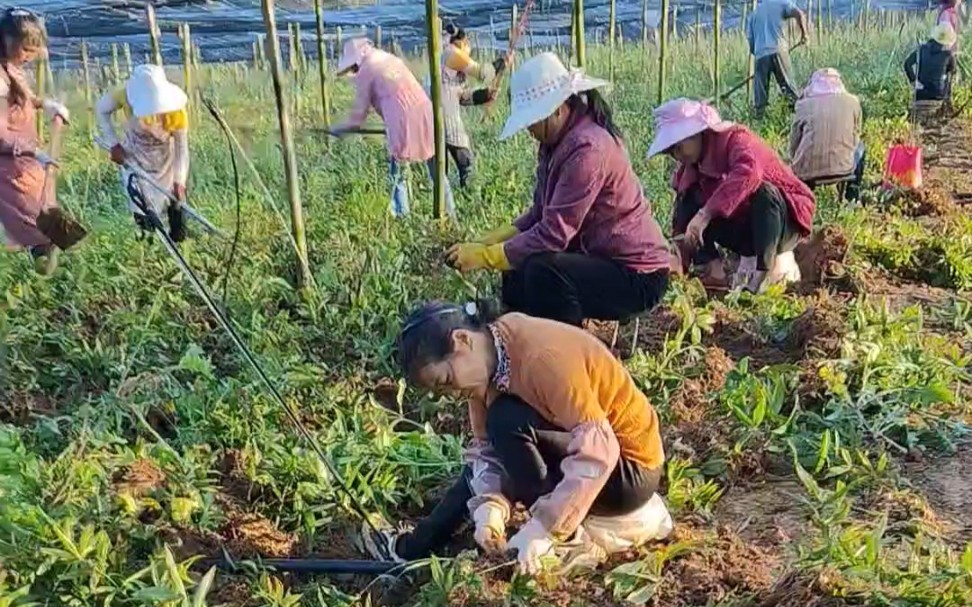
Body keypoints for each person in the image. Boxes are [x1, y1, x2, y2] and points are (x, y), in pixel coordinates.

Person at [362, 302, 673, 574]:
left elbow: (600, 449)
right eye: (441, 391)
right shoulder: (488, 364)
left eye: (446, 381)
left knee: (506, 421)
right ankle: (412, 549)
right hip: (597, 455)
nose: (452, 394)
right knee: (501, 426)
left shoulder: (541, 357)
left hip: (631, 470)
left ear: (462, 340)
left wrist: (545, 528)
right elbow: (485, 452)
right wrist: (489, 510)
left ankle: (567, 539)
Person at [446, 53, 672, 327]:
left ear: (556, 109)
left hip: (639, 275)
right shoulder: (554, 143)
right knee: (517, 265)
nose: (528, 128)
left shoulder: (588, 149)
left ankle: (566, 351)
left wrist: (486, 257)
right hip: (602, 258)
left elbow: (553, 235)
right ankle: (518, 336)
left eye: (531, 120)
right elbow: (540, 214)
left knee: (544, 271)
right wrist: (489, 242)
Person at [648, 98, 815, 293]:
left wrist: (706, 214)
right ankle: (713, 269)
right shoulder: (692, 168)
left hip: (785, 221)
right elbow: (683, 214)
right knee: (691, 197)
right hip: (747, 227)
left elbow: (749, 173)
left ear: (698, 135)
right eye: (671, 152)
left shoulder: (738, 140)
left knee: (763, 193)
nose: (677, 156)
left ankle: (765, 270)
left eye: (679, 147)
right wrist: (679, 253)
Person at [333, 38, 455, 218]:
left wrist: (343, 128)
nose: (352, 72)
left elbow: (360, 110)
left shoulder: (367, 70)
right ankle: (450, 214)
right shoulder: (388, 59)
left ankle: (402, 216)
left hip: (402, 120)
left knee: (398, 174)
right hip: (425, 111)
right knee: (437, 168)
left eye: (352, 68)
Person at [0, 8, 72, 274]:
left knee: (47, 215)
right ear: (7, 39)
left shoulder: (12, 69)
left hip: (26, 163)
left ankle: (62, 271)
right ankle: (43, 281)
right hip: (10, 167)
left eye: (33, 50)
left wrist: (47, 105)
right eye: (26, 50)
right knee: (35, 223)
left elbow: (25, 98)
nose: (29, 57)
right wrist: (36, 152)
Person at [96, 64, 190, 242]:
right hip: (135, 157)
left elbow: (181, 147)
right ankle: (147, 248)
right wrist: (114, 144)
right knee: (141, 207)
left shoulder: (177, 110)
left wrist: (180, 180)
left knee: (176, 203)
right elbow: (101, 110)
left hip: (166, 161)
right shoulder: (124, 94)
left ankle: (179, 242)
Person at [434, 24, 506, 189]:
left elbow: (462, 95)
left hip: (436, 118)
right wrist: (501, 63)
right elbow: (483, 73)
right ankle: (468, 197)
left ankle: (448, 205)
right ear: (462, 42)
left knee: (440, 173)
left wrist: (485, 95)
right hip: (446, 119)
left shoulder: (443, 58)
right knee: (467, 165)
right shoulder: (453, 54)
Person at [789, 68, 865, 200]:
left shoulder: (803, 105)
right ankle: (852, 196)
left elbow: (794, 141)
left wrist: (793, 160)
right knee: (861, 146)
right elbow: (856, 134)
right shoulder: (853, 102)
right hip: (844, 167)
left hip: (806, 171)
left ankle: (806, 197)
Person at [746, 0, 808, 114]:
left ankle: (760, 118)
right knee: (788, 87)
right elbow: (799, 13)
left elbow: (750, 42)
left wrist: (759, 52)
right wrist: (804, 34)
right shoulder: (782, 3)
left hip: (760, 55)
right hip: (779, 50)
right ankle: (797, 115)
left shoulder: (754, 14)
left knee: (760, 94)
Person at [904, 24, 958, 103]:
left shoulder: (922, 49)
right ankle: (947, 101)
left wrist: (914, 81)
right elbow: (953, 72)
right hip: (939, 94)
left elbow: (907, 64)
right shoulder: (948, 55)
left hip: (920, 93)